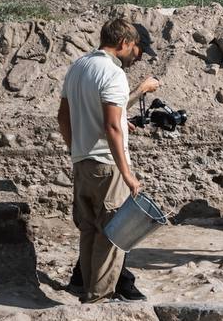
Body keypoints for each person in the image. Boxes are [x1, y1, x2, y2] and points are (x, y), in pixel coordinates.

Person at [57, 17, 159, 303]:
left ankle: (88, 292)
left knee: (89, 230)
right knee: (113, 235)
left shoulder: (78, 66)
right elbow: (112, 127)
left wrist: (75, 149)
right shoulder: (113, 74)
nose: (137, 55)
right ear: (124, 43)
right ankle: (99, 298)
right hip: (108, 165)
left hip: (82, 162)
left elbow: (63, 117)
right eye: (136, 48)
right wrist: (127, 174)